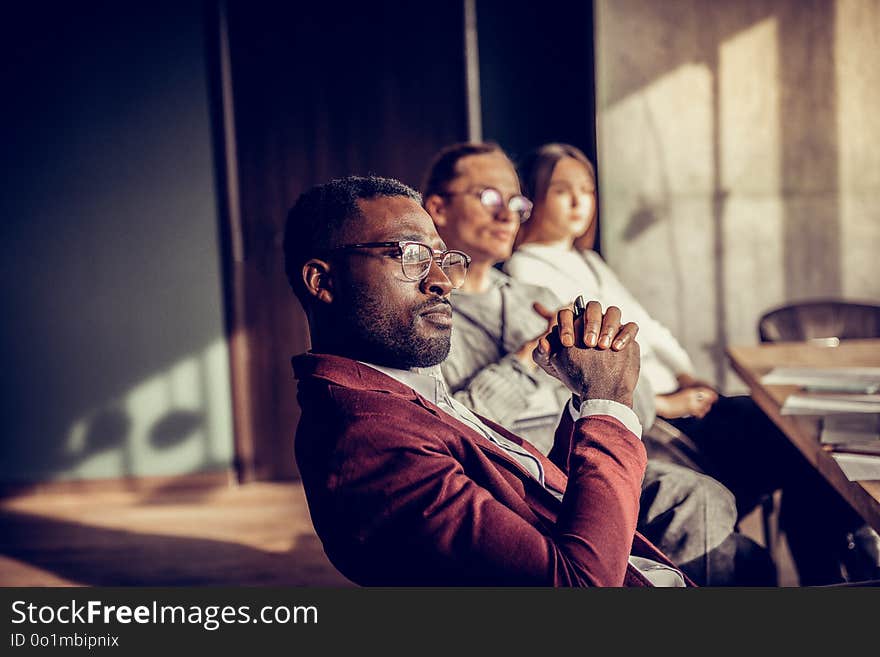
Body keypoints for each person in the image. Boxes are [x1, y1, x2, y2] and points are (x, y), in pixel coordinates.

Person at [283, 174, 692, 586]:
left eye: (441, 259)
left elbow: (537, 500)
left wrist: (585, 399)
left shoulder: (404, 389)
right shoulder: (368, 440)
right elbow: (579, 586)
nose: (441, 281)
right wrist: (609, 401)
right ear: (324, 281)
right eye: (409, 255)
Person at [505, 141, 880, 585]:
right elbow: (569, 369)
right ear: (531, 197)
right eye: (562, 189)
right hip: (655, 418)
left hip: (675, 397)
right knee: (791, 438)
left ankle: (841, 563)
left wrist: (684, 373)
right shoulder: (525, 273)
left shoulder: (586, 260)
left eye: (587, 189)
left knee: (796, 438)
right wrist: (668, 401)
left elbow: (649, 326)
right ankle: (844, 565)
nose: (579, 201)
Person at [421, 142, 775, 586]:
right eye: (489, 197)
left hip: (580, 458)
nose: (507, 215)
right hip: (516, 481)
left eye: (516, 202)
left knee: (745, 549)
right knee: (699, 499)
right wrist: (526, 359)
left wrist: (613, 362)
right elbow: (454, 428)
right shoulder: (428, 315)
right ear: (437, 208)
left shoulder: (539, 301)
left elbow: (635, 412)